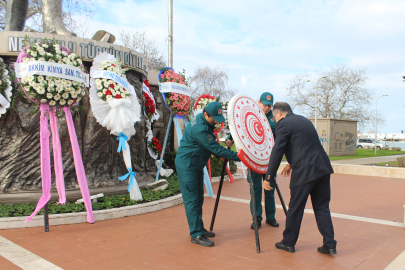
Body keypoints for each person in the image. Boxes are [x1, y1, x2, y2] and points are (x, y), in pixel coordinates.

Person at [264, 102, 337, 254]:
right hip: (322, 168)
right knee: (322, 208)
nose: (275, 120)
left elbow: (277, 151)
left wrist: (268, 177)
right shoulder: (303, 120)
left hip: (305, 172)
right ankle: (330, 245)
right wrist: (291, 163)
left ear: (279, 113)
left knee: (295, 208)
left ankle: (288, 243)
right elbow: (303, 145)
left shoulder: (283, 124)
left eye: (274, 116)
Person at [175, 102, 240, 247]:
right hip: (188, 166)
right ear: (206, 114)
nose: (216, 121)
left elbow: (212, 147)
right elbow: (217, 149)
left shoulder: (201, 119)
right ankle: (196, 234)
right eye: (214, 118)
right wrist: (243, 157)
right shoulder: (200, 128)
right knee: (192, 200)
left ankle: (199, 228)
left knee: (198, 198)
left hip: (195, 164)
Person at [225, 92, 279, 230]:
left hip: (269, 161)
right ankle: (256, 218)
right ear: (258, 102)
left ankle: (271, 217)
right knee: (255, 191)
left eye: (269, 105)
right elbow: (239, 129)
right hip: (253, 159)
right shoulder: (249, 113)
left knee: (270, 189)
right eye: (264, 105)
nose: (267, 108)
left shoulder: (274, 118)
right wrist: (229, 139)